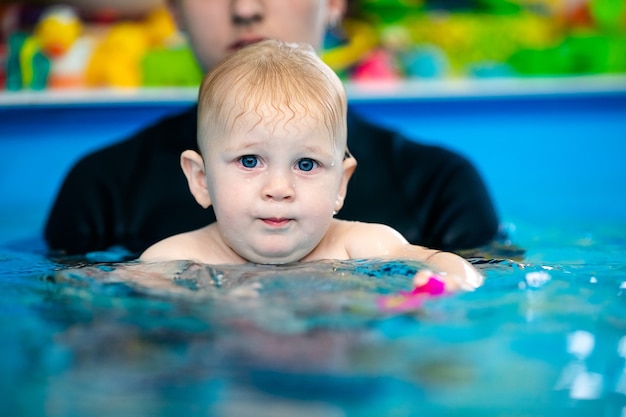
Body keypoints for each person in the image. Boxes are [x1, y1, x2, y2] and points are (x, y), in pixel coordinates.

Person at [44, 0, 499, 257]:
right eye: (248, 161)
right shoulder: (100, 189)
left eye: (306, 164)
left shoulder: (440, 188)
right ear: (174, 9)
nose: (245, 8)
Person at [140, 40, 482, 290]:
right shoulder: (173, 260)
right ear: (201, 179)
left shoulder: (359, 246)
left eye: (306, 164)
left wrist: (451, 280)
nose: (279, 189)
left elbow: (440, 262)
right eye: (249, 160)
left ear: (340, 185)